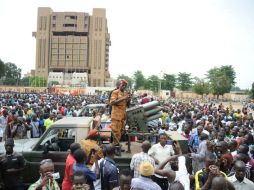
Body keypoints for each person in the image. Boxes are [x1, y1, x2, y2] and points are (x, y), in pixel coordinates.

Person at [110, 79, 131, 146]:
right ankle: (114, 147)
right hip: (116, 116)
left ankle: (117, 145)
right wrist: (123, 98)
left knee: (121, 132)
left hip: (122, 116)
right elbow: (112, 102)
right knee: (116, 132)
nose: (124, 87)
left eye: (125, 86)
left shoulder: (125, 93)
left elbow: (127, 105)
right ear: (119, 85)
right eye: (122, 85)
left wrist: (128, 100)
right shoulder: (115, 92)